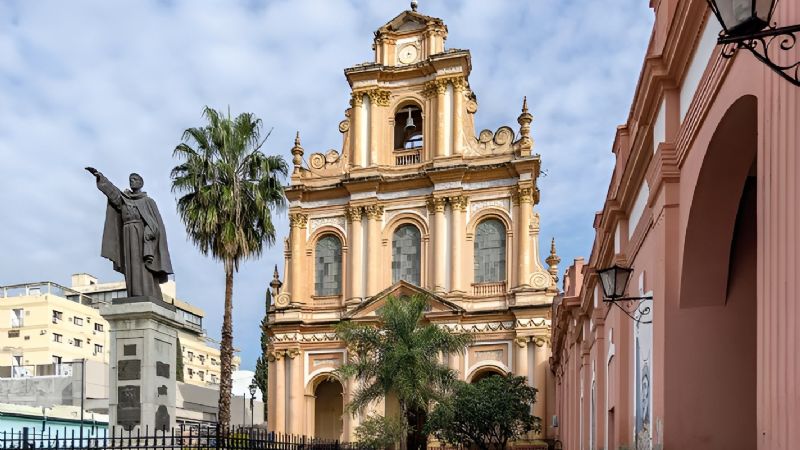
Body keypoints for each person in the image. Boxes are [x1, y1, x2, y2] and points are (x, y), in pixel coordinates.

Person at [85, 167, 173, 301]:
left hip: (141, 236)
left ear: (140, 183)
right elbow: (113, 194)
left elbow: (155, 224)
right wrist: (101, 178)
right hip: (127, 233)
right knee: (130, 264)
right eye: (130, 180)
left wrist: (149, 234)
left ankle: (147, 292)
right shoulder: (125, 199)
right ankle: (134, 293)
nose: (132, 182)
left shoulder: (148, 201)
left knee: (142, 266)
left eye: (135, 179)